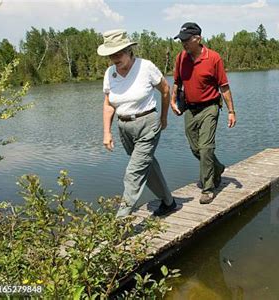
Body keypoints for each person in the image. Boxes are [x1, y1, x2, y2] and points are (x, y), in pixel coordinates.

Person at [98, 29, 177, 217]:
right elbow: (109, 104)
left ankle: (119, 222)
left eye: (118, 53)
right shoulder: (110, 73)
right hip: (124, 127)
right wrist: (106, 133)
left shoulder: (145, 67)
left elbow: (165, 90)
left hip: (147, 124)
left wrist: (164, 117)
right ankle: (169, 201)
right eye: (111, 55)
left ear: (129, 50)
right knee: (146, 165)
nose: (115, 58)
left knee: (133, 173)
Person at [171, 22, 236, 204]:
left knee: (206, 147)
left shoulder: (213, 58)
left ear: (197, 39)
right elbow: (177, 82)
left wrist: (231, 111)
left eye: (186, 40)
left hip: (210, 107)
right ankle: (217, 167)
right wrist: (172, 100)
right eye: (181, 40)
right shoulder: (180, 58)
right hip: (190, 109)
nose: (183, 43)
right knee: (195, 148)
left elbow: (224, 87)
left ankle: (208, 188)